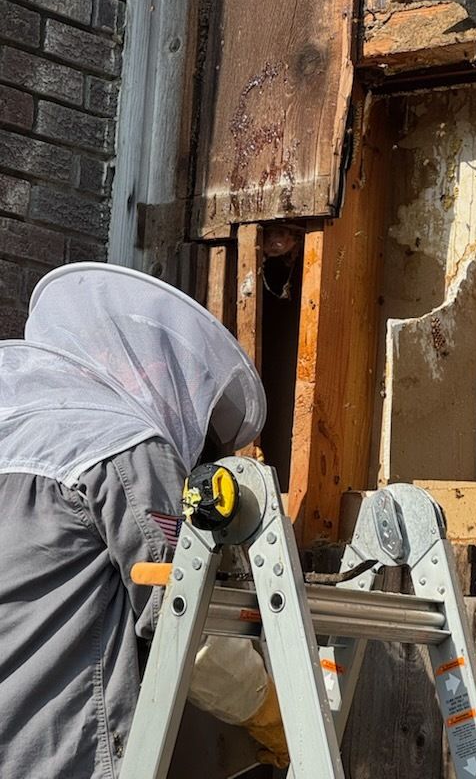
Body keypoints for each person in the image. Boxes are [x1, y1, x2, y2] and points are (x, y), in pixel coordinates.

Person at [0, 263, 289, 778]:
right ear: (149, 370)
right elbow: (187, 627)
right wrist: (269, 713)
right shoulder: (126, 446)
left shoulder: (19, 414)